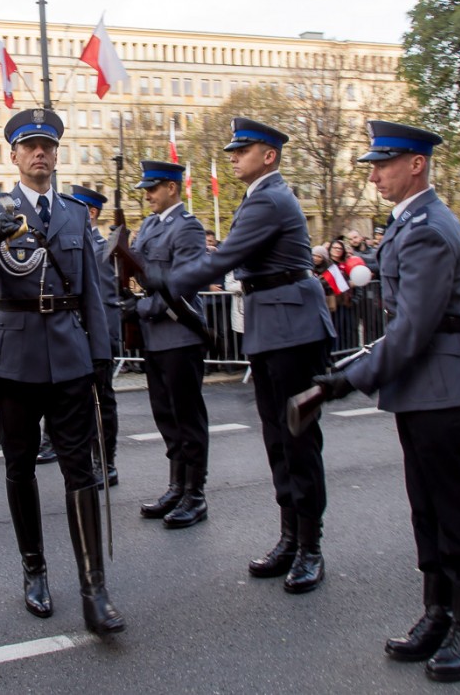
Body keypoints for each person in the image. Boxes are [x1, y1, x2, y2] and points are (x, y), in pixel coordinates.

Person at [313, 121, 460, 683]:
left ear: (417, 164)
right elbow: (450, 302)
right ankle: (437, 615)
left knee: (454, 510)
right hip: (427, 382)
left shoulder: (427, 227)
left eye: (383, 164)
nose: (374, 175)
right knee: (427, 508)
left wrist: (346, 380)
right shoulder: (413, 221)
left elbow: (414, 327)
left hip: (445, 384)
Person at [0, 108, 124, 636]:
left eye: (47, 146)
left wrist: (101, 356)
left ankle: (94, 589)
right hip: (13, 358)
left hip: (70, 355)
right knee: (20, 467)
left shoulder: (74, 213)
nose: (39, 154)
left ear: (55, 154)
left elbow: (92, 288)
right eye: (29, 146)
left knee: (81, 470)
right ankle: (34, 570)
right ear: (14, 155)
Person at [164, 118, 336, 593]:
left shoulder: (269, 198)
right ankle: (290, 538)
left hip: (293, 329)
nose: (234, 157)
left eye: (243, 150)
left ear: (269, 155)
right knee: (279, 439)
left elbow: (224, 258)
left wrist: (167, 282)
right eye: (233, 151)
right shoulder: (257, 197)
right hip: (272, 324)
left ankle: (310, 547)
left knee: (299, 440)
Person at [129, 161, 210, 529]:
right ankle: (177, 487)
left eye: (153, 188)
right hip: (155, 337)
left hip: (180, 334)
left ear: (172, 188)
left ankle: (195, 494)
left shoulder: (188, 227)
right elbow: (139, 270)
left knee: (187, 416)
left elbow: (183, 283)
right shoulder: (149, 225)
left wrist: (141, 308)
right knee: (165, 414)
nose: (147, 195)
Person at [70, 185, 120, 488]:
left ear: (90, 213)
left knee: (102, 404)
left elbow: (106, 300)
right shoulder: (77, 245)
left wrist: (105, 343)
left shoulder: (101, 249)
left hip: (96, 339)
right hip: (78, 338)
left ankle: (106, 463)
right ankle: (90, 461)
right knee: (82, 406)